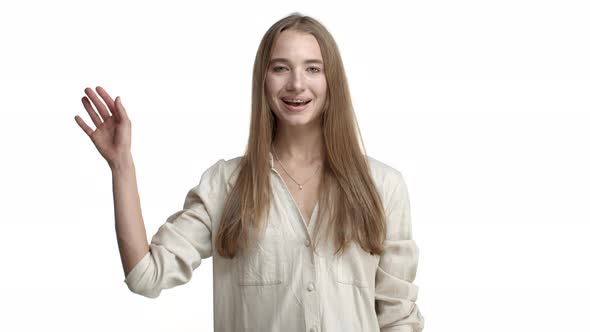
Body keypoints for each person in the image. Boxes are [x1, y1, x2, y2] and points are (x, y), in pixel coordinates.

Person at [75, 13, 424, 332]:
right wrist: (121, 165)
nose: (297, 84)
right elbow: (146, 276)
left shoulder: (383, 186)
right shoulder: (225, 186)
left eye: (313, 68)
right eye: (281, 68)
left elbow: (398, 318)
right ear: (263, 80)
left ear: (332, 81)